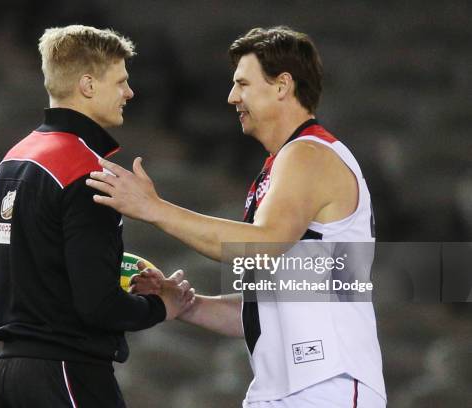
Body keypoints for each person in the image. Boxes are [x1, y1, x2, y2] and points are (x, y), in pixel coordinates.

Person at [87, 26, 387, 407]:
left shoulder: (309, 154)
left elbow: (263, 245)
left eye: (242, 84)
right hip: (287, 388)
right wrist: (185, 304)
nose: (232, 97)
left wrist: (154, 208)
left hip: (326, 385)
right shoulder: (284, 165)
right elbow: (267, 303)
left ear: (282, 86)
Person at [0, 25, 194, 408]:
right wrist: (164, 305)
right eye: (121, 82)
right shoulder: (88, 173)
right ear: (89, 85)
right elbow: (97, 306)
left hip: (9, 380)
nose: (130, 93)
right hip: (68, 376)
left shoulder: (11, 162)